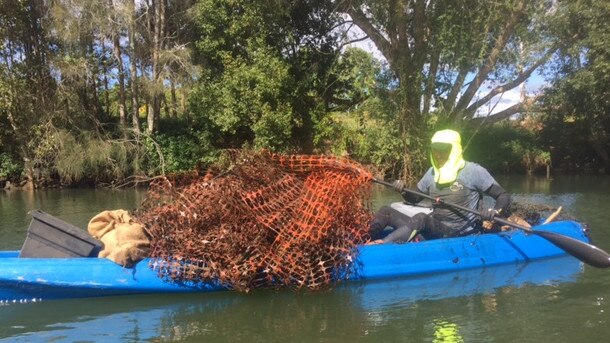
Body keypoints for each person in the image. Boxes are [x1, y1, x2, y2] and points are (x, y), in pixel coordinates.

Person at [369, 129, 511, 244]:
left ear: (454, 149)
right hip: (435, 227)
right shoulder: (431, 173)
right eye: (435, 149)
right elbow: (415, 199)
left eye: (443, 150)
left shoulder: (473, 171)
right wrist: (403, 190)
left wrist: (495, 211)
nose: (438, 154)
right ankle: (362, 240)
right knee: (386, 210)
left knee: (421, 218)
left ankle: (379, 247)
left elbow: (503, 196)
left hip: (459, 233)